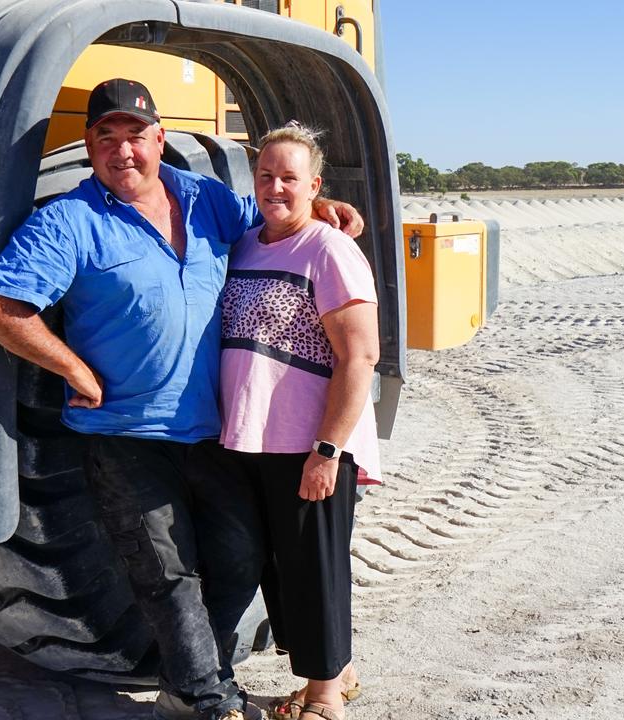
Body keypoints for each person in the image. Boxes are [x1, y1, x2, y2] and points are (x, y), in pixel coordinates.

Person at [0, 79, 363, 720]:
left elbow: (273, 220)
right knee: (168, 574)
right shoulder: (69, 220)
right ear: (91, 146)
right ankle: (200, 700)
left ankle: (204, 675)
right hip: (128, 434)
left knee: (238, 559)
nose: (123, 152)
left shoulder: (205, 198)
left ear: (159, 139)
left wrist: (324, 207)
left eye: (135, 137)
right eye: (107, 139)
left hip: (210, 431)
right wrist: (71, 366)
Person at [216, 123, 381, 720]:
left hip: (308, 443)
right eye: (266, 175)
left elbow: (360, 356)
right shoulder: (247, 242)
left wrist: (328, 449)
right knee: (277, 568)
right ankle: (341, 672)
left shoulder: (330, 249)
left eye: (290, 178)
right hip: (249, 438)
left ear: (315, 184)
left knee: (314, 570)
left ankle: (325, 700)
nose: (276, 187)